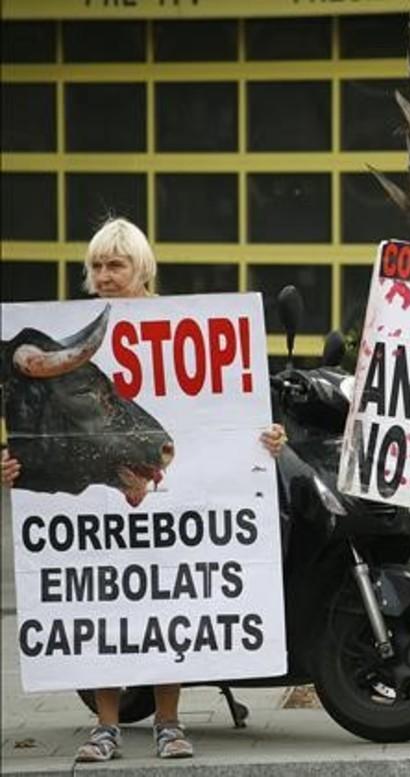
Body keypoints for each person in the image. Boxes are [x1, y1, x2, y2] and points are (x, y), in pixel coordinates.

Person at [0, 217, 287, 762]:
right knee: (98, 599)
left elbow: (232, 415)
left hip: (175, 496)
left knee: (169, 592)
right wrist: (11, 466)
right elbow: (31, 429)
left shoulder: (186, 324)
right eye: (97, 267)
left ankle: (169, 723)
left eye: (116, 265)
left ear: (142, 269)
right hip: (95, 503)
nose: (105, 277)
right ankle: (105, 727)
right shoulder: (67, 327)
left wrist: (267, 438)